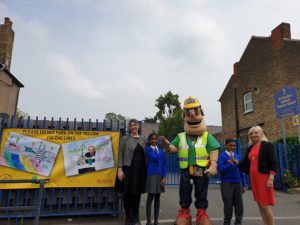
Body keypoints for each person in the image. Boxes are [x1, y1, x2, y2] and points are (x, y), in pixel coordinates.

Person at [161, 96, 220, 225]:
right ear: (184, 115)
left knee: (201, 190)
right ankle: (184, 211)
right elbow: (173, 147)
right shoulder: (180, 136)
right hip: (185, 169)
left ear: (202, 113)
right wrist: (167, 145)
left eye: (195, 112)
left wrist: (214, 165)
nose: (192, 116)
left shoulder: (206, 136)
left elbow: (214, 150)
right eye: (188, 113)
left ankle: (201, 212)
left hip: (202, 169)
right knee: (184, 190)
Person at [239, 126, 277, 225]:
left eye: (256, 133)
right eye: (251, 134)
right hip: (253, 178)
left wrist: (271, 179)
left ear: (261, 134)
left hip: (263, 178)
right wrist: (236, 162)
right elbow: (246, 163)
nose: (253, 135)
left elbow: (273, 163)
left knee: (264, 204)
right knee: (259, 203)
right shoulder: (251, 147)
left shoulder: (267, 145)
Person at [115, 119, 148, 225]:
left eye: (135, 125)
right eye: (131, 126)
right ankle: (128, 217)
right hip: (128, 170)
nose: (133, 127)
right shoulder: (125, 139)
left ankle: (135, 216)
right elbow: (120, 154)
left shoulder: (143, 140)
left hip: (140, 171)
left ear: (138, 127)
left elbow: (149, 153)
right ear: (129, 128)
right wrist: (120, 169)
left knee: (137, 195)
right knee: (127, 195)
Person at [218, 138, 246, 225]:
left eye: (234, 145)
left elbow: (242, 171)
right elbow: (220, 169)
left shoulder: (237, 156)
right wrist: (229, 163)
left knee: (239, 205)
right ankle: (227, 222)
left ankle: (238, 222)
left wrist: (244, 184)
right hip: (227, 183)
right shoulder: (222, 156)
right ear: (226, 145)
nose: (232, 147)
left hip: (238, 183)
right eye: (230, 145)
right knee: (228, 204)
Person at [145, 133, 167, 225]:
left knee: (158, 198)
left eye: (155, 139)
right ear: (149, 141)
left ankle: (156, 221)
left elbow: (164, 164)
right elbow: (155, 158)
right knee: (150, 197)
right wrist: (164, 150)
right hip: (152, 175)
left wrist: (164, 177)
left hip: (160, 176)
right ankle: (149, 221)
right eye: (152, 139)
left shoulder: (161, 150)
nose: (154, 141)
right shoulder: (148, 150)